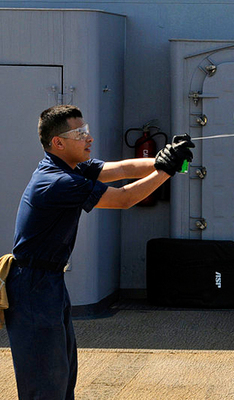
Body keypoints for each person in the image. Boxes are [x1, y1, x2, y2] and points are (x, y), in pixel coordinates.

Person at [4, 105, 193, 399]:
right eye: (80, 133)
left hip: (47, 282)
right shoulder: (58, 181)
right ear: (58, 143)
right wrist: (166, 170)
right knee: (45, 381)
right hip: (33, 286)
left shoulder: (71, 168)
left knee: (61, 374)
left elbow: (123, 169)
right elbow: (124, 198)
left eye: (87, 130)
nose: (89, 138)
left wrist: (165, 157)